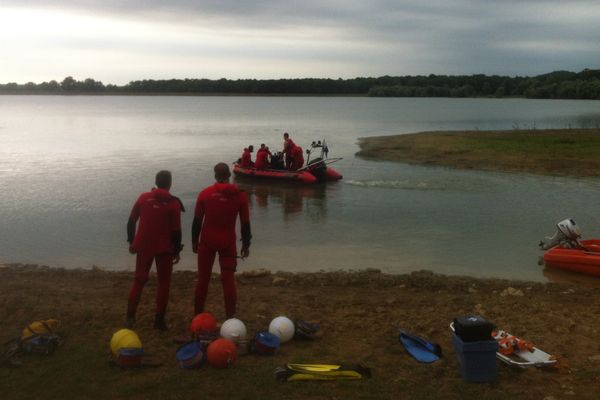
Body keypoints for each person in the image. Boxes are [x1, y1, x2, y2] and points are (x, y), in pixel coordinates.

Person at [126, 170, 184, 330]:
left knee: (139, 281)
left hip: (144, 245)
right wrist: (177, 251)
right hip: (164, 248)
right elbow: (176, 231)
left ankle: (130, 318)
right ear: (170, 183)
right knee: (164, 283)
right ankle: (159, 321)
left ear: (156, 182)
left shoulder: (143, 198)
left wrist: (131, 242)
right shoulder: (174, 203)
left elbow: (131, 221)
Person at [192, 163, 251, 318]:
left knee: (203, 280)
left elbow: (197, 221)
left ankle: (198, 315)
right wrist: (246, 244)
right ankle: (230, 318)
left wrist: (194, 242)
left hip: (207, 241)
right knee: (228, 281)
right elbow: (245, 223)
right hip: (228, 243)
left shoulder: (205, 194)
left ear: (215, 175)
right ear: (229, 175)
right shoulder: (240, 195)